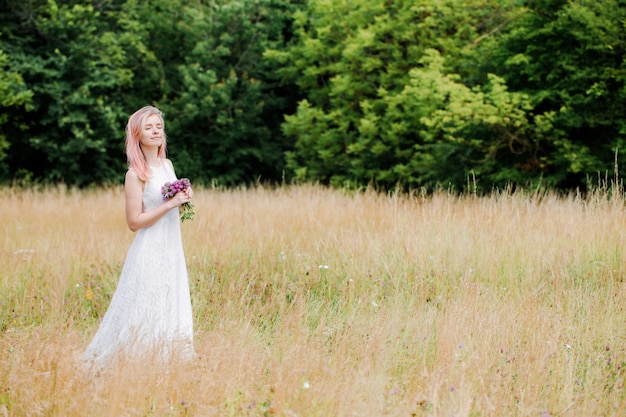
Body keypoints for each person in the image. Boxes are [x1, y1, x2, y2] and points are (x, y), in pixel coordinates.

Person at [82, 105, 195, 367]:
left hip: (171, 247)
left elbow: (173, 203)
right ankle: (136, 364)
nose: (156, 131)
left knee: (171, 299)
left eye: (158, 126)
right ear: (137, 135)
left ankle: (170, 361)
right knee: (146, 305)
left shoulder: (167, 165)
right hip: (149, 249)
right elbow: (134, 222)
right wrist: (169, 204)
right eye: (149, 127)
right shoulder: (135, 175)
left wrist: (185, 199)